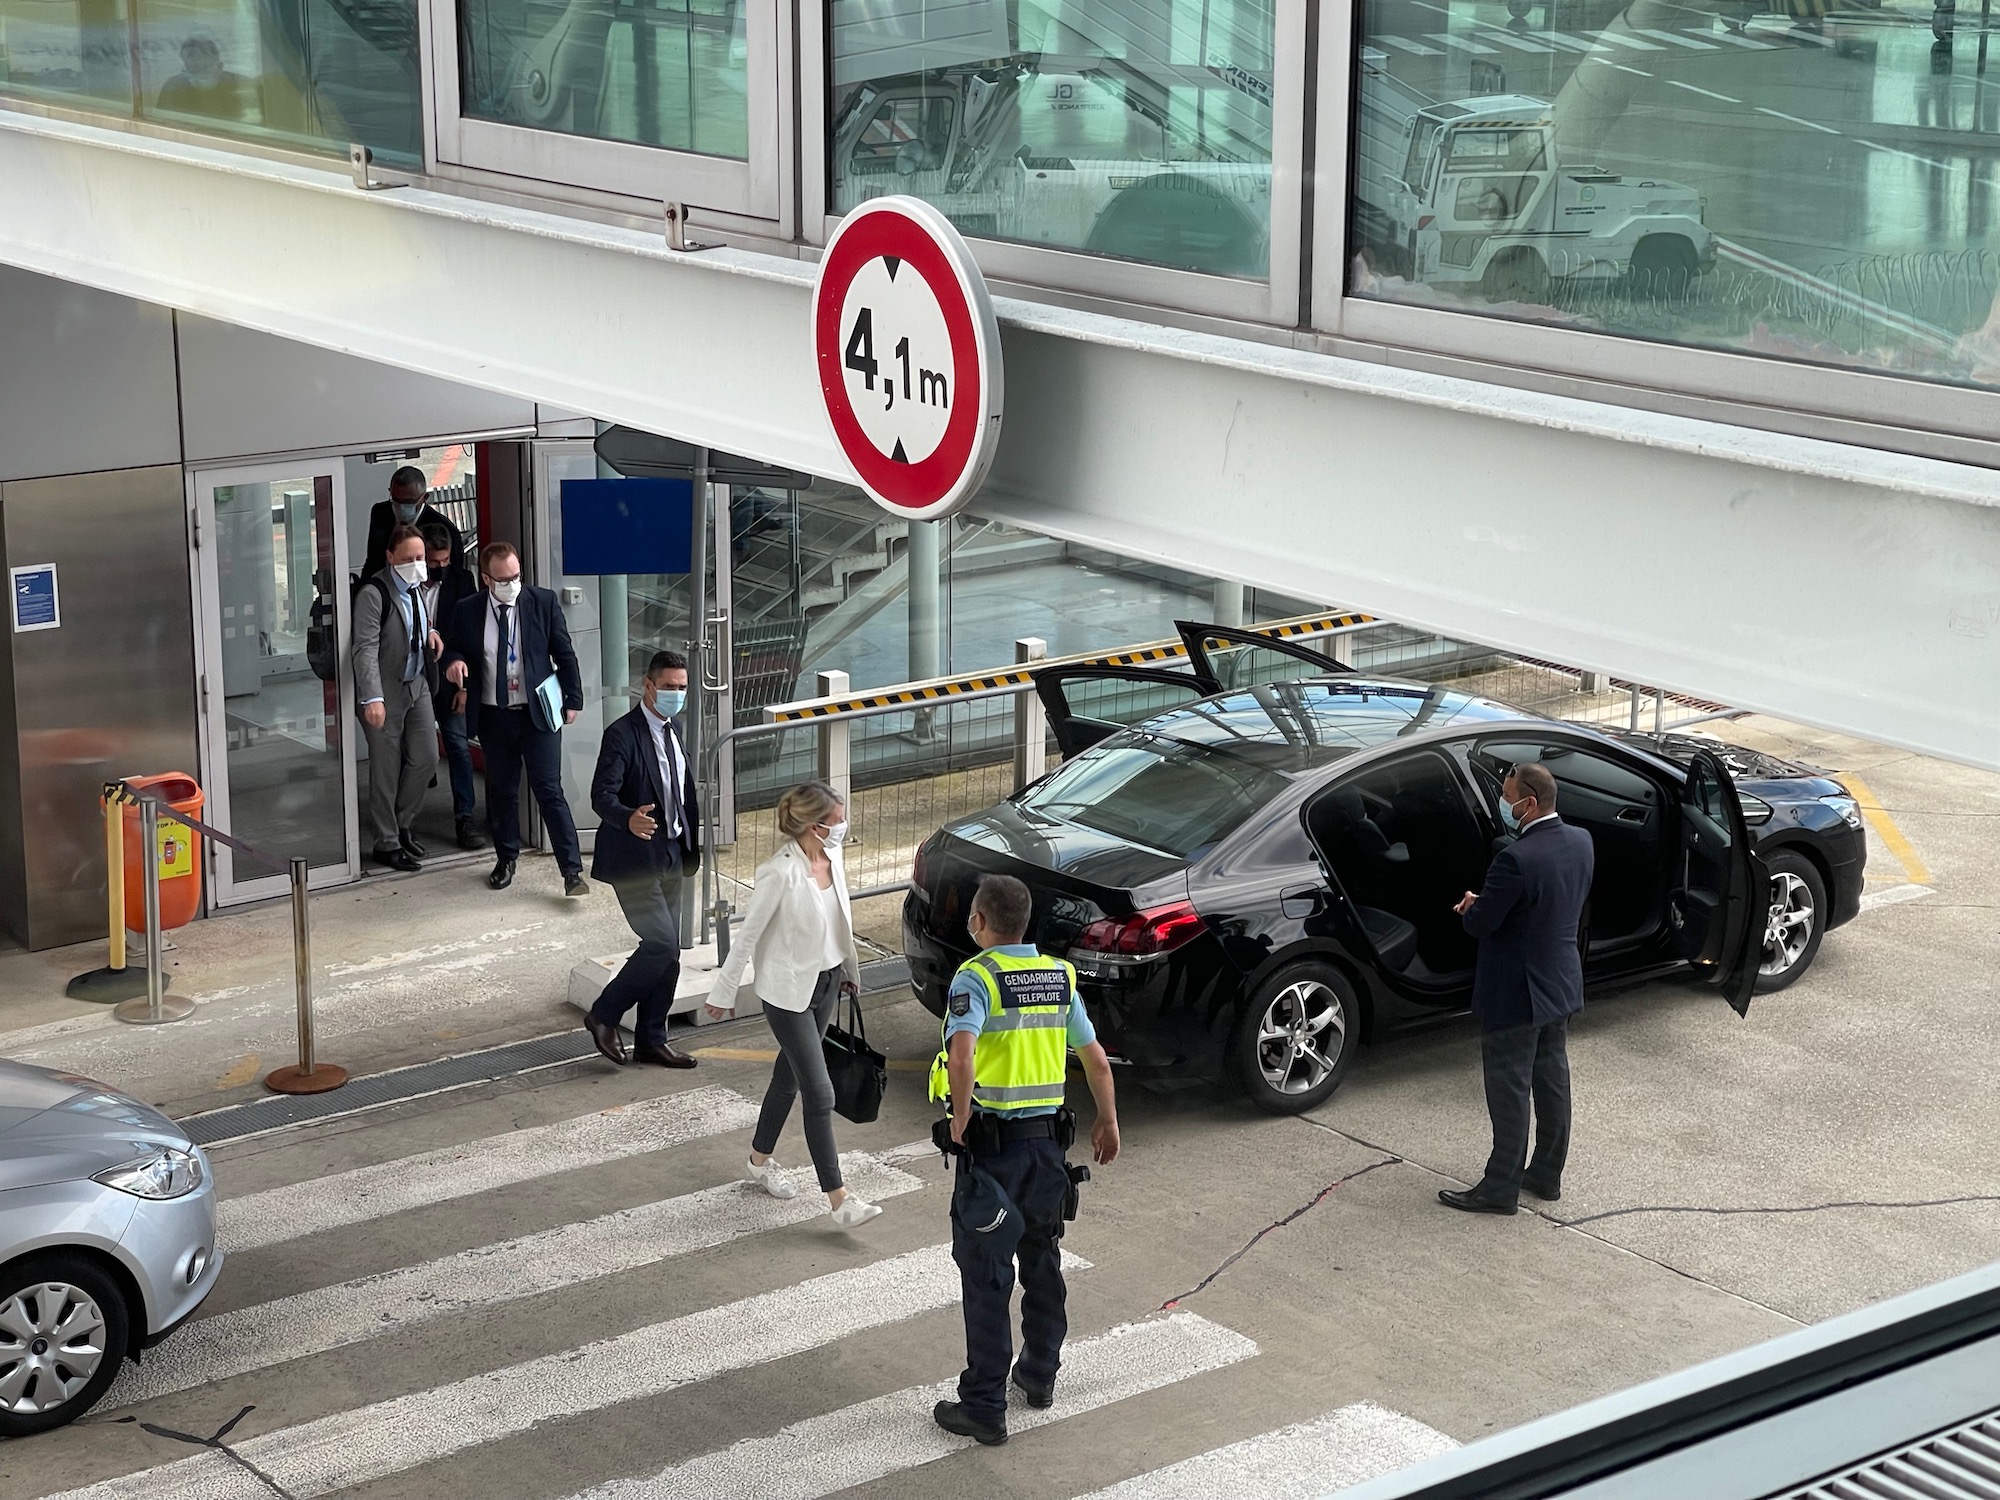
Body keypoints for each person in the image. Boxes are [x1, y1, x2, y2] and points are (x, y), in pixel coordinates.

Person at [930, 873, 1120, 1447]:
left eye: (972, 918)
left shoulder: (976, 976)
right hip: (1047, 1152)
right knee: (1042, 1261)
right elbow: (1096, 1061)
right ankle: (1040, 1376)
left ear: (981, 922)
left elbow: (961, 1057)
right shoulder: (1058, 976)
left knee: (987, 1278)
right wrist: (1108, 1120)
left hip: (992, 1154)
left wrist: (960, 1119)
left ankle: (984, 1405)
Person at [704, 782, 884, 1229]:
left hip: (825, 984)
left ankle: (758, 1161)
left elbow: (840, 922)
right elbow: (748, 936)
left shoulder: (832, 859)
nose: (843, 826)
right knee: (819, 1092)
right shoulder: (778, 873)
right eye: (837, 820)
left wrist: (847, 972)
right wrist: (723, 992)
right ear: (813, 825)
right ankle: (840, 1200)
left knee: (788, 1078)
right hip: (786, 995)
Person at [1444, 762, 1595, 1216]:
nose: (1505, 805)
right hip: (1561, 982)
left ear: (1529, 803)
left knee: (1509, 1090)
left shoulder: (1514, 858)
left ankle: (1499, 1187)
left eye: (1508, 798)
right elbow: (1549, 904)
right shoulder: (1581, 841)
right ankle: (1546, 1175)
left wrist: (1473, 906)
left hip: (1515, 993)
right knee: (1552, 1081)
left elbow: (1484, 924)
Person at [440, 542, 587, 895]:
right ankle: (506, 858)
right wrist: (454, 663)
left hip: (537, 713)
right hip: (495, 715)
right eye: (504, 579)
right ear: (487, 578)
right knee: (502, 791)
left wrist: (573, 699)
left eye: (517, 576)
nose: (512, 583)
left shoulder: (542, 602)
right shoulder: (468, 610)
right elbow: (455, 646)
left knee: (549, 791)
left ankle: (572, 871)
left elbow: (564, 652)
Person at [583, 651, 700, 1068]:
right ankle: (604, 1014)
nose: (677, 695)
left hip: (671, 851)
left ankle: (652, 1039)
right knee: (662, 942)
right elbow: (602, 795)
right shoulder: (622, 735)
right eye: (670, 688)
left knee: (669, 953)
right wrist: (626, 819)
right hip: (634, 858)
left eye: (683, 688)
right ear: (648, 687)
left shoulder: (674, 729)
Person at [352, 525, 441, 872]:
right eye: (408, 559)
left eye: (420, 558)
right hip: (385, 690)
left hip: (415, 683)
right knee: (385, 770)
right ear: (390, 558)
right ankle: (387, 842)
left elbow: (416, 623)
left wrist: (432, 633)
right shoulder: (375, 594)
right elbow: (365, 648)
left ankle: (403, 822)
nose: (417, 565)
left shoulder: (417, 588)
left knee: (426, 757)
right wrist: (372, 697)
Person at [418, 525, 484, 851]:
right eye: (432, 561)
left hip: (449, 680)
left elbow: (469, 640)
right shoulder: (404, 585)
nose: (439, 567)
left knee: (458, 746)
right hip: (412, 681)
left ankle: (465, 818)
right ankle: (405, 823)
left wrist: (465, 687)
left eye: (444, 560)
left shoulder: (461, 582)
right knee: (414, 753)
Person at [363, 466, 464, 582]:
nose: (401, 506)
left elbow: (455, 575)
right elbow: (372, 559)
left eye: (408, 502)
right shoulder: (380, 513)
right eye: (396, 500)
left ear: (424, 498)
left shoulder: (445, 529)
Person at [155, 32, 252, 121]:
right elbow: (165, 124)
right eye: (189, 56)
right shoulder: (173, 86)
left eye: (198, 55)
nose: (193, 61)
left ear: (215, 58)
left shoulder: (239, 85)